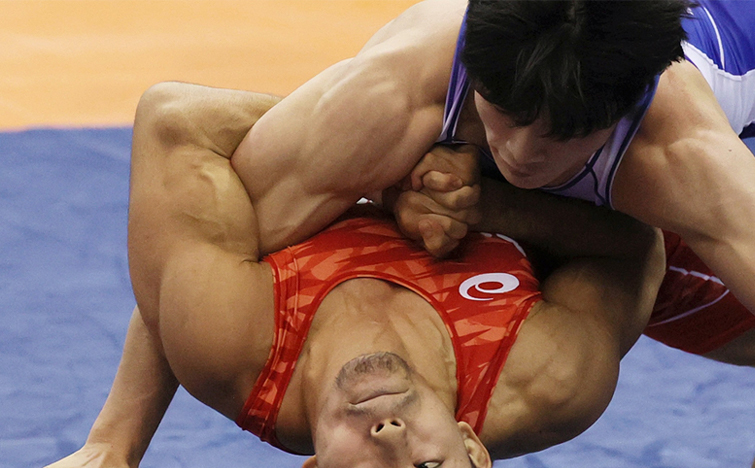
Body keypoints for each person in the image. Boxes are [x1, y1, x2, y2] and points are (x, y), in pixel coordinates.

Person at [7, 84, 755, 468]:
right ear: (470, 447)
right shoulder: (544, 381)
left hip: (468, 142)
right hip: (600, 212)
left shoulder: (234, 344)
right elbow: (635, 245)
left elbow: (180, 120)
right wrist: (480, 198)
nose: (390, 441)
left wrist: (392, 167)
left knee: (318, 154)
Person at [227, 0, 755, 317]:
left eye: (564, 135)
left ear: (625, 110)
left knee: (626, 289)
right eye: (503, 114)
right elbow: (215, 246)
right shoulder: (404, 81)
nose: (522, 155)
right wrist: (137, 441)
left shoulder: (685, 156)